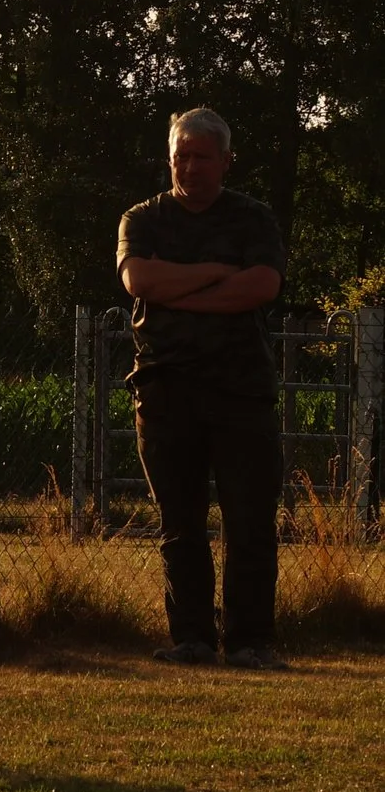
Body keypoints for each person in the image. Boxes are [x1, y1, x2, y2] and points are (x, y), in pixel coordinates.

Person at [116, 107, 287, 669]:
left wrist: (179, 291)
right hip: (165, 390)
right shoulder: (141, 219)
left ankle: (250, 643)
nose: (188, 167)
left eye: (200, 157)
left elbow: (261, 285)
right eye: (180, 157)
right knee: (180, 525)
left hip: (241, 391)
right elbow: (139, 279)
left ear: (226, 161)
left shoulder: (254, 219)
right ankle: (192, 639)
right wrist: (216, 272)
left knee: (250, 522)